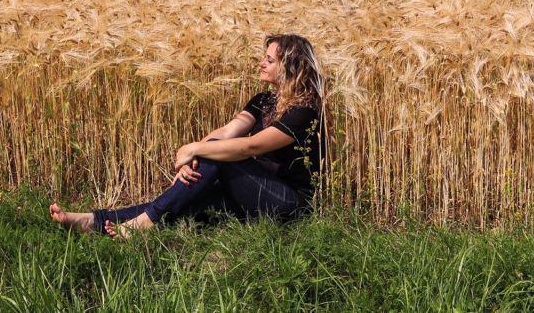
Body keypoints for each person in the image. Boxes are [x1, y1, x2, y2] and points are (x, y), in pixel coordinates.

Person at [49, 33, 326, 238]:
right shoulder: (264, 100)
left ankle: (143, 224)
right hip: (248, 192)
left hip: (287, 204)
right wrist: (188, 158)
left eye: (269, 59)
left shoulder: (304, 111)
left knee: (217, 151)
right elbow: (229, 130)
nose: (260, 63)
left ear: (290, 66)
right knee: (183, 203)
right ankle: (93, 221)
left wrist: (195, 149)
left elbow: (249, 146)